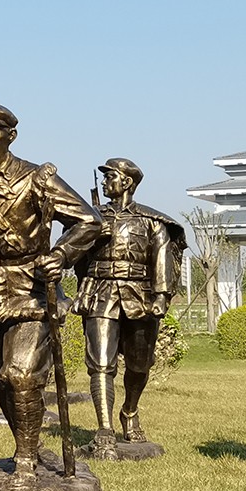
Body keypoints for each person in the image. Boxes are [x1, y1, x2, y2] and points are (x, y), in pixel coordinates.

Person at [0, 103, 101, 483]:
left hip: (26, 287)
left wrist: (60, 254)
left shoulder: (37, 178)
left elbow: (88, 221)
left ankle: (25, 458)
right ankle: (27, 442)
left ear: (11, 135)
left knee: (21, 374)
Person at [70, 157, 184, 458]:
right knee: (101, 363)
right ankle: (104, 429)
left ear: (128, 182)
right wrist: (92, 235)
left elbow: (162, 259)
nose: (106, 181)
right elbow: (72, 255)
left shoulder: (151, 222)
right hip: (101, 292)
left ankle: (129, 411)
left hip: (139, 295)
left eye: (112, 177)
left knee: (139, 364)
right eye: (105, 177)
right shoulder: (92, 218)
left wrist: (161, 296)